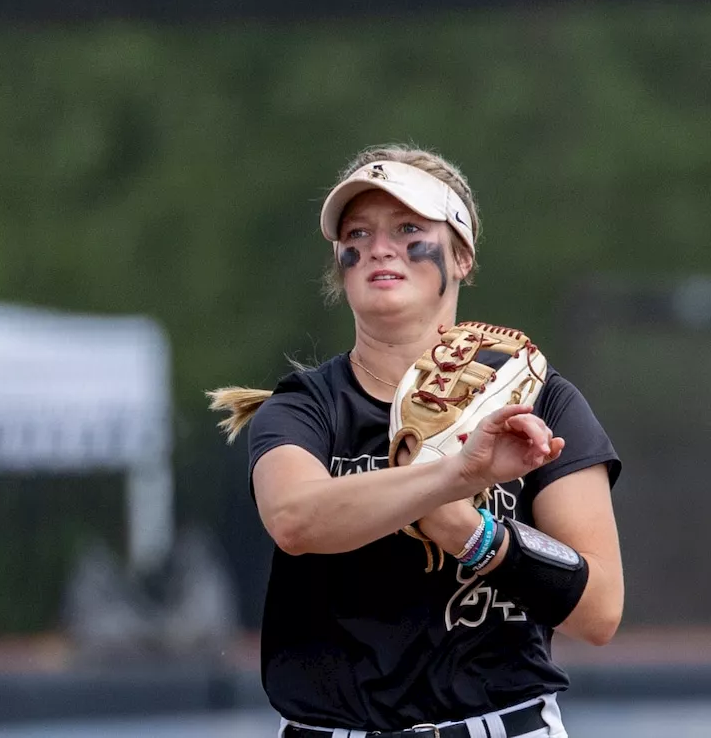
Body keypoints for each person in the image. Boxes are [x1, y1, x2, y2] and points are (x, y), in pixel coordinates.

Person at [207, 146, 623, 738]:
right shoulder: (303, 406)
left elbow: (600, 611)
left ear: (462, 256)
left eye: (408, 229)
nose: (380, 246)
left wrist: (471, 533)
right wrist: (454, 477)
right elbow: (296, 518)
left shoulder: (541, 402)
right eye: (358, 232)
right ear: (340, 262)